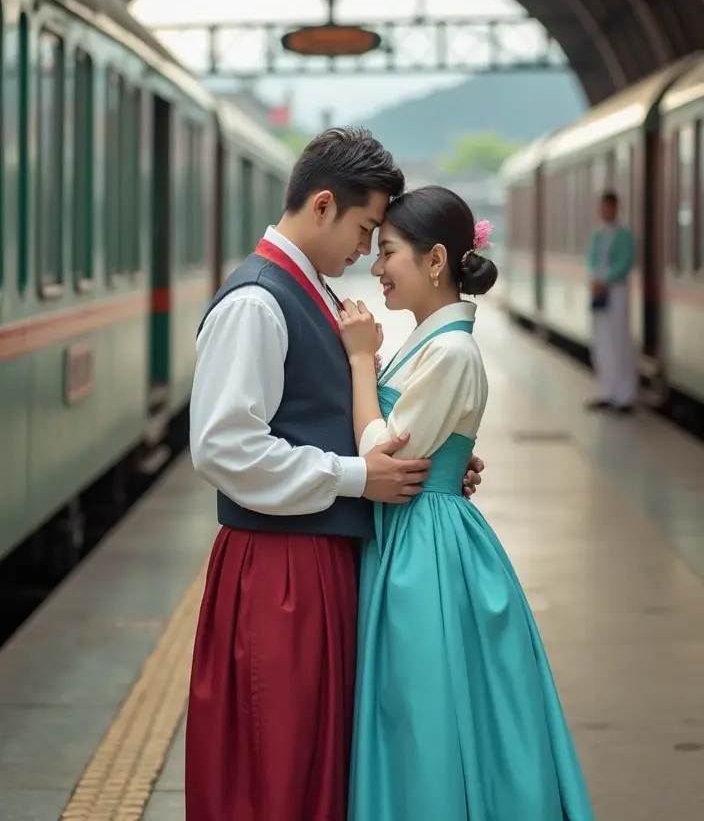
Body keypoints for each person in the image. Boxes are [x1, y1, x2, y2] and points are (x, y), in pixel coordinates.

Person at [185, 128, 485, 821]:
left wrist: (422, 463)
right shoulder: (257, 301)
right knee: (278, 766)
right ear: (322, 206)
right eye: (364, 228)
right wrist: (357, 477)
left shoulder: (305, 290)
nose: (366, 250)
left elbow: (326, 415)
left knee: (310, 767)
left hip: (310, 560)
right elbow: (224, 448)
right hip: (279, 569)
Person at [339, 185, 594, 821]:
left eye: (388, 251)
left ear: (434, 261)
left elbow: (383, 452)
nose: (376, 267)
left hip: (423, 548)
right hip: (421, 532)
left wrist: (360, 362)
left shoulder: (449, 349)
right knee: (429, 707)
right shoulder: (433, 342)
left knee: (425, 710)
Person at [586, 189, 637, 414]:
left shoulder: (625, 235)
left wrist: (605, 279)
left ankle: (625, 396)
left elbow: (625, 262)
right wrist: (595, 279)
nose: (605, 211)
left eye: (609, 207)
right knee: (601, 340)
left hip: (616, 291)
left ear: (616, 208)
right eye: (602, 207)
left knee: (619, 341)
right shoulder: (596, 235)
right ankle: (607, 392)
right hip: (599, 291)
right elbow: (590, 261)